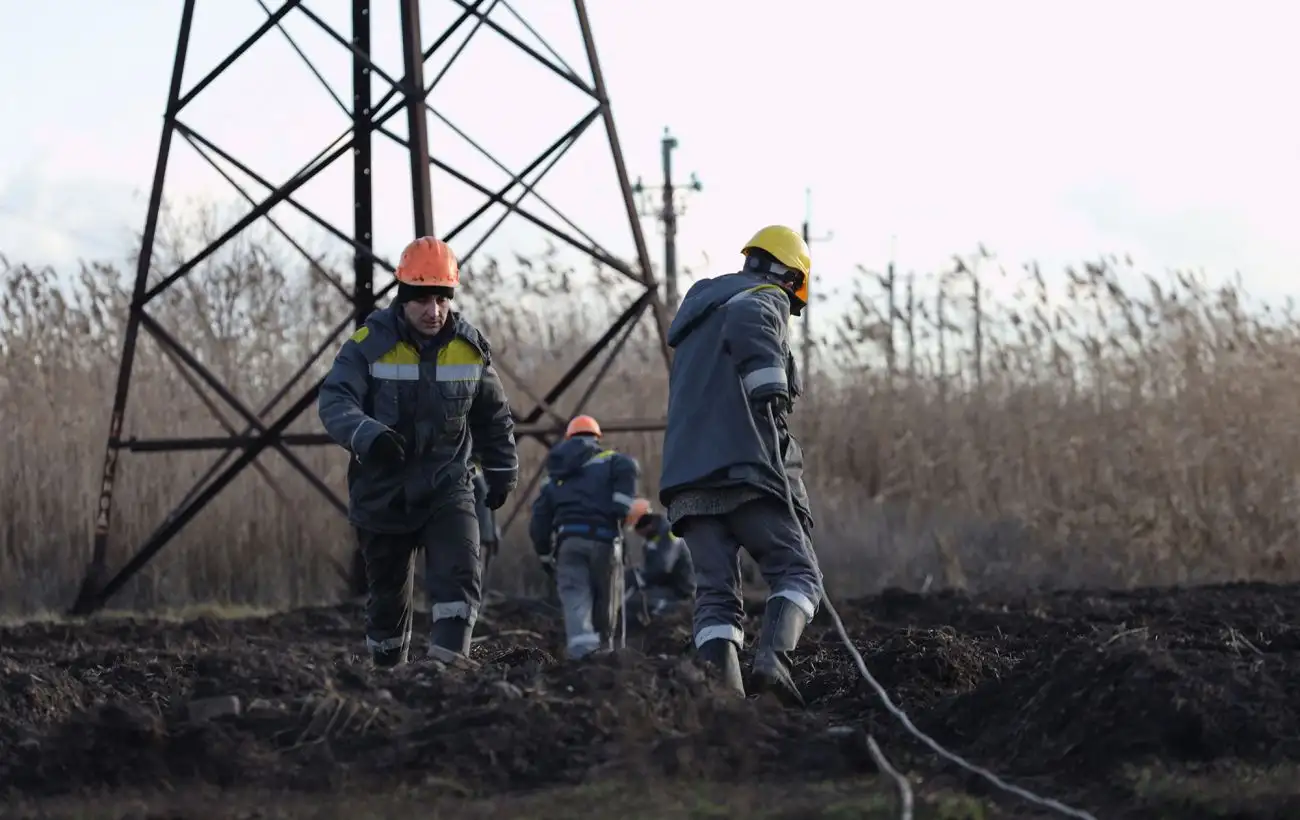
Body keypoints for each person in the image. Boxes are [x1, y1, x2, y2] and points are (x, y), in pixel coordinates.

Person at [318, 236, 518, 668]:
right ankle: (389, 678)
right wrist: (368, 435)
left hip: (448, 485)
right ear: (403, 298)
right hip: (382, 492)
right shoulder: (367, 345)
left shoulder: (469, 348)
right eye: (423, 300)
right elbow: (335, 401)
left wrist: (502, 469)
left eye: (442, 299)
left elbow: (494, 416)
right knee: (388, 600)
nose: (434, 311)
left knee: (460, 572)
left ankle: (446, 669)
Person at [657, 225, 821, 707]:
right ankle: (773, 661)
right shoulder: (762, 297)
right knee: (799, 573)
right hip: (745, 471)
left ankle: (727, 698)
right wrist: (767, 380)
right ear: (791, 277)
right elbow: (754, 319)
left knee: (715, 595)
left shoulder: (699, 314)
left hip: (688, 481)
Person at [529, 414, 640, 659]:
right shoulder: (613, 461)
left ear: (568, 438)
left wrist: (545, 554)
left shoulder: (555, 475)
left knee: (574, 595)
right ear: (596, 437)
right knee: (606, 597)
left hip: (568, 542)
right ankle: (605, 652)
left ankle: (582, 654)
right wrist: (619, 510)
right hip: (605, 540)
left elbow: (539, 519)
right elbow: (629, 473)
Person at [623, 498, 695, 624]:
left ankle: (678, 609)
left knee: (637, 601)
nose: (636, 533)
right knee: (631, 602)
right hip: (664, 586)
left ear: (644, 524)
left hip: (680, 591)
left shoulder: (670, 533)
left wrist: (638, 577)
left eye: (636, 528)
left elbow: (663, 566)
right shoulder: (652, 538)